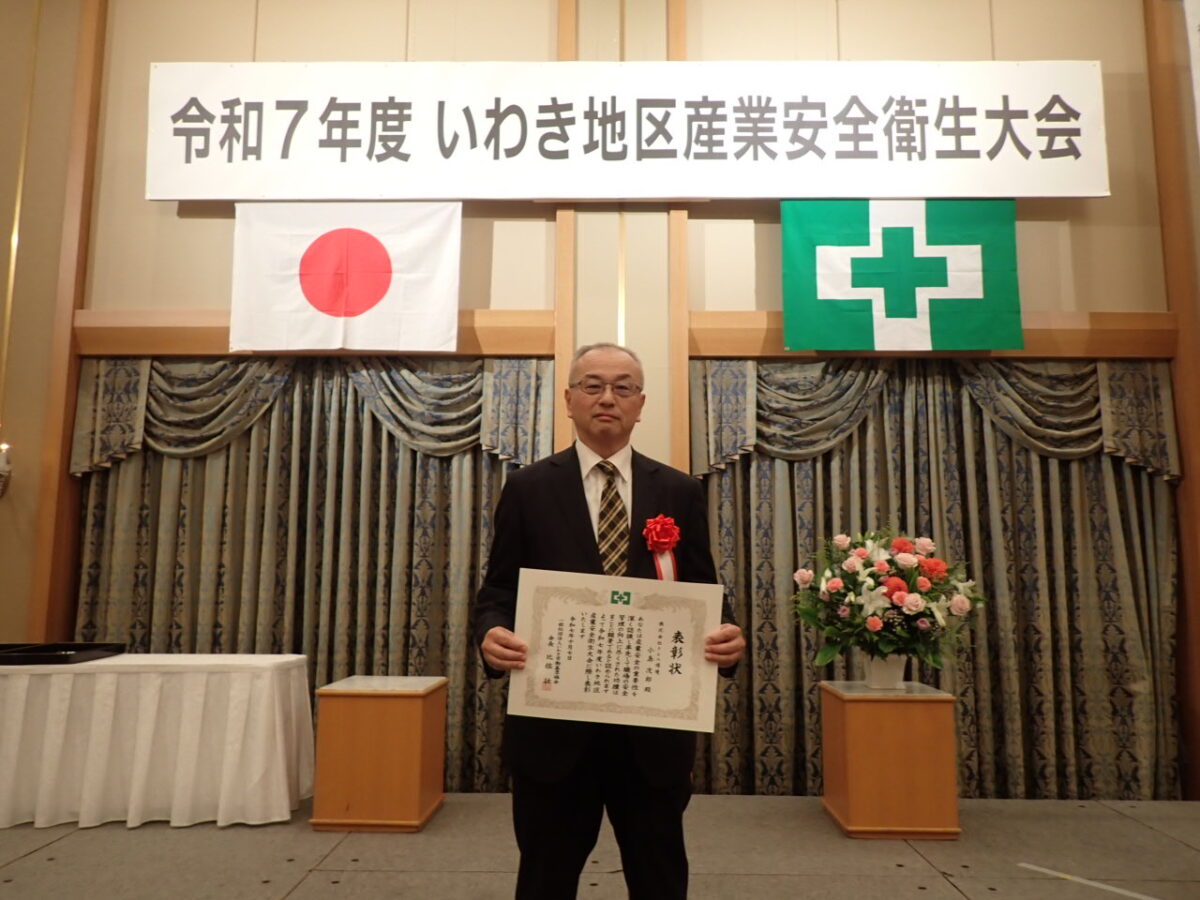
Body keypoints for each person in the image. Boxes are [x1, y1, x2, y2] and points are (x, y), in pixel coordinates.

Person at [473, 342, 745, 900]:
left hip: (651, 732)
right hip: (554, 727)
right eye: (592, 385)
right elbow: (498, 589)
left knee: (659, 874)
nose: (607, 398)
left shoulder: (678, 490)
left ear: (640, 404)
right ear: (569, 399)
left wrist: (726, 634)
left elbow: (703, 590)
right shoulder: (528, 488)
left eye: (623, 387)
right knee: (546, 877)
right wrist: (491, 634)